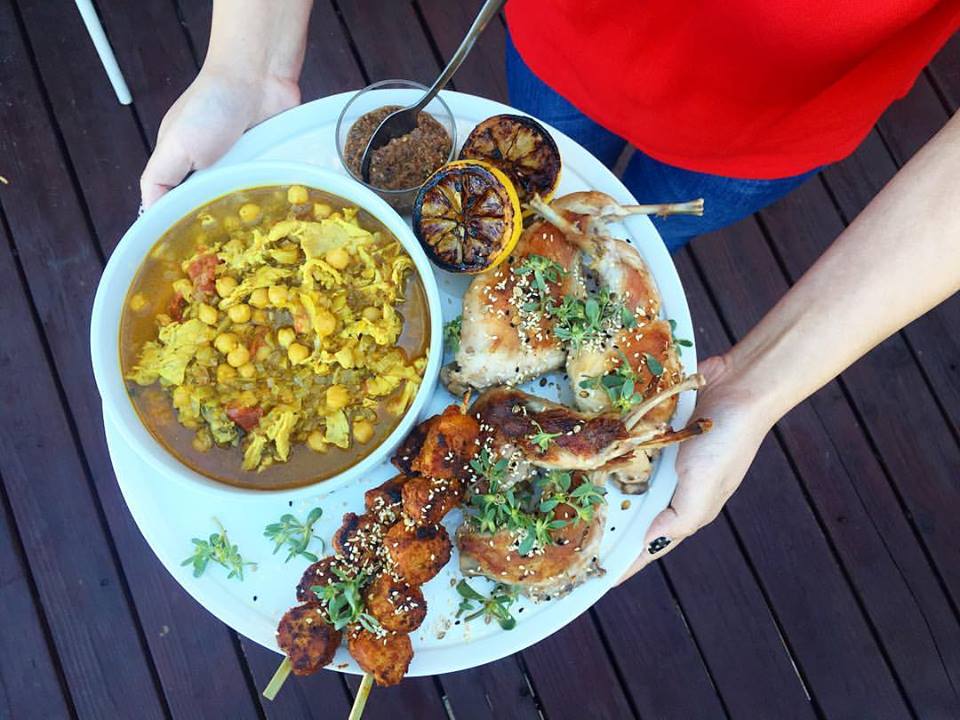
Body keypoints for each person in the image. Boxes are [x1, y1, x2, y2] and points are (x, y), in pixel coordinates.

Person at [141, 0, 960, 581]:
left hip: (782, 111)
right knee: (557, 188)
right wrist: (247, 67)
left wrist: (756, 386)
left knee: (642, 231)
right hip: (572, 35)